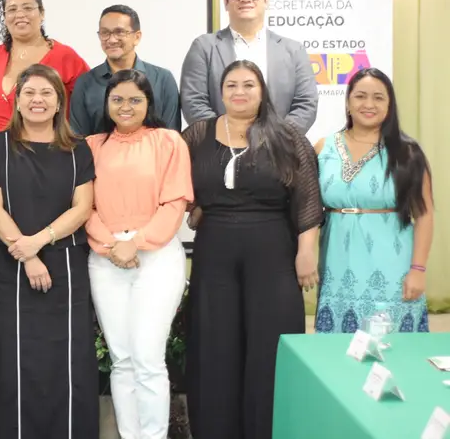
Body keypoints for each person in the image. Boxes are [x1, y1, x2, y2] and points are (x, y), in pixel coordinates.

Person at [181, 60, 322, 439]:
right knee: (216, 345)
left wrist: (306, 251)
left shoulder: (287, 135)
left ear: (263, 92)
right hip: (214, 253)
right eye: (231, 85)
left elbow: (308, 199)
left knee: (269, 346)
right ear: (220, 92)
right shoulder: (197, 133)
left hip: (273, 250)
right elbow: (175, 183)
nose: (239, 92)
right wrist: (192, 207)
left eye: (248, 85)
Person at [0, 64, 99, 439]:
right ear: (17, 101)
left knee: (68, 363)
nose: (37, 100)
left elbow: (82, 209)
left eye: (47, 93)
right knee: (15, 362)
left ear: (60, 102)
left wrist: (40, 241)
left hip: (66, 266)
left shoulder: (79, 149)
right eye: (29, 93)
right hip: (12, 270)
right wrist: (27, 255)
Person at [85, 69, 193, 439]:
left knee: (148, 358)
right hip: (106, 258)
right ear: (106, 104)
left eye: (135, 99)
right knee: (122, 360)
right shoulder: (92, 146)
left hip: (158, 257)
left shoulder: (168, 142)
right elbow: (85, 206)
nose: (126, 106)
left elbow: (174, 201)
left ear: (149, 103)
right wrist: (113, 244)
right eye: (117, 99)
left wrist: (137, 242)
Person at [314, 68, 432, 333]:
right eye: (360, 96)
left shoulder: (408, 152)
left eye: (379, 98)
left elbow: (424, 215)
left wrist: (418, 269)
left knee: (392, 350)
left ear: (389, 105)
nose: (369, 104)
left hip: (393, 265)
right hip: (337, 264)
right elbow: (308, 208)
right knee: (336, 349)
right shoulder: (324, 147)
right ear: (347, 102)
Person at [180, 0, 318, 134]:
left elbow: (306, 103)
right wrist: (228, 137)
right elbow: (193, 101)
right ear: (226, 2)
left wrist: (276, 138)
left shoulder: (293, 50)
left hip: (279, 150)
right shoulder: (204, 47)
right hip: (220, 150)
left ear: (266, 0)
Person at [0, 0, 90, 137]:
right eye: (12, 9)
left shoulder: (65, 57)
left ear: (42, 13)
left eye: (28, 8)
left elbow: (90, 105)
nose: (20, 14)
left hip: (46, 153)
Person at [70, 5, 181, 136]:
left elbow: (171, 137)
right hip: (99, 155)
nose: (111, 39)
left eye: (119, 32)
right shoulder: (85, 82)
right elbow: (78, 139)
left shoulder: (162, 79)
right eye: (105, 33)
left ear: (137, 37)